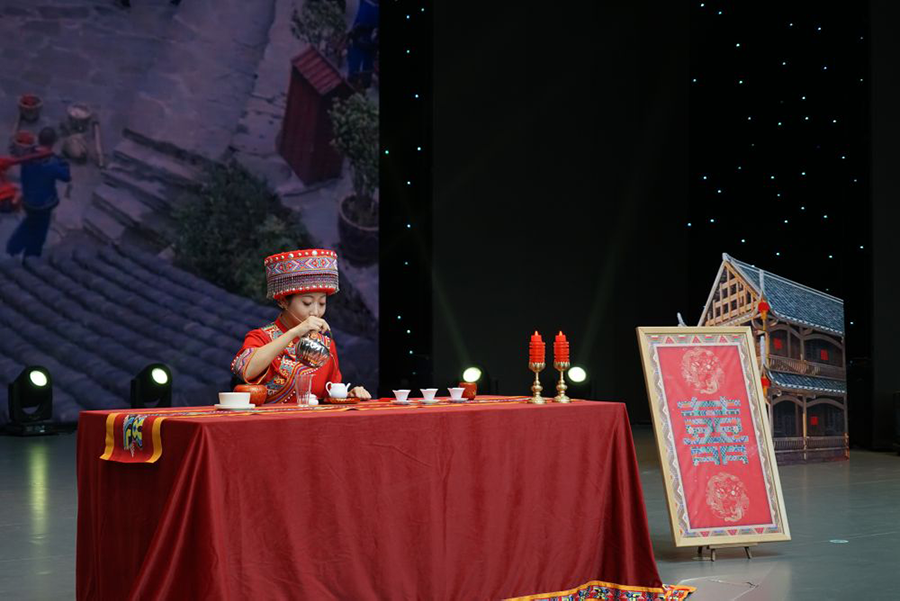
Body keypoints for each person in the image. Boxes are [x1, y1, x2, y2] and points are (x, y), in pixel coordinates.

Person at [231, 249, 372, 404]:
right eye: (307, 303)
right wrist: (295, 332)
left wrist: (349, 395)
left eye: (322, 303)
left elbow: (330, 396)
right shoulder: (262, 338)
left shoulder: (325, 346)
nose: (315, 311)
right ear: (283, 302)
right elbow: (246, 371)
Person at [6, 127, 70, 259]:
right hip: (43, 205)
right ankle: (30, 258)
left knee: (29, 222)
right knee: (39, 233)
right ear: (52, 143)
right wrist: (63, 161)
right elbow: (66, 176)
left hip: (28, 201)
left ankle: (13, 247)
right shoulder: (51, 163)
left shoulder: (28, 155)